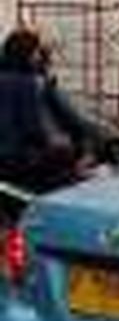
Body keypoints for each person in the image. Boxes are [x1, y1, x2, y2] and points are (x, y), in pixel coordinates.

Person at [0, 29, 102, 197]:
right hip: (23, 160)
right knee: (70, 156)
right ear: (30, 55)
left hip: (8, 161)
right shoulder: (35, 83)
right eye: (38, 52)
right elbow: (38, 127)